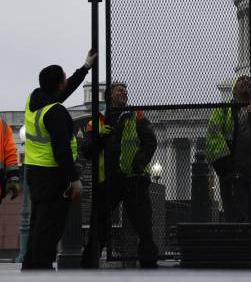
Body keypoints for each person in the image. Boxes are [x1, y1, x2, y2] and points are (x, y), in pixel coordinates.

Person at [21, 50, 96, 270]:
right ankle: (42, 270)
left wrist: (85, 68)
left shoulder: (34, 100)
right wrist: (74, 180)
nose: (66, 80)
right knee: (50, 228)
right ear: (59, 84)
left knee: (38, 226)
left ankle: (30, 269)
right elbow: (61, 151)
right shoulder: (56, 113)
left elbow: (63, 91)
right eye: (64, 77)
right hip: (52, 177)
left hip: (34, 173)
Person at [81, 82, 158, 268]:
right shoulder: (96, 121)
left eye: (125, 90)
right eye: (119, 90)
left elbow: (150, 142)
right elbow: (87, 150)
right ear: (109, 96)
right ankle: (89, 263)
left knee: (143, 225)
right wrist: (100, 138)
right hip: (107, 181)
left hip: (133, 178)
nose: (124, 92)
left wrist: (139, 162)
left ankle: (149, 263)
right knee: (99, 225)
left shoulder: (137, 116)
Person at [207, 76, 251, 222]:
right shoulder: (223, 110)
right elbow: (213, 138)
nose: (246, 81)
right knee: (234, 215)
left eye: (249, 80)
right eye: (241, 80)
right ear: (234, 89)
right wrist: (227, 169)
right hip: (232, 172)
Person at [0, 116, 21, 204]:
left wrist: (13, 178)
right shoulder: (2, 125)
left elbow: (10, 153)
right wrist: (13, 178)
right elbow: (10, 153)